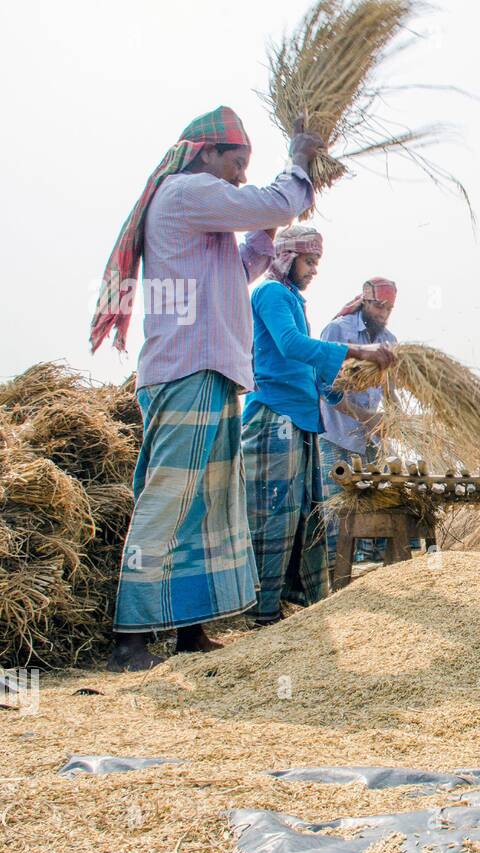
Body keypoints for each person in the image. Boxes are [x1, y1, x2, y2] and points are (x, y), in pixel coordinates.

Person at [92, 106, 323, 671]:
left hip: (211, 371)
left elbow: (240, 267)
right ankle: (131, 637)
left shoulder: (201, 211)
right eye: (238, 162)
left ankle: (189, 632)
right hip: (185, 369)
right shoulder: (186, 191)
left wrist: (275, 213)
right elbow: (272, 201)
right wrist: (298, 160)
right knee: (170, 499)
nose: (242, 175)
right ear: (206, 153)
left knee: (206, 507)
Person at [241, 228, 394, 625]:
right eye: (309, 262)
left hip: (301, 419)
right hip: (275, 416)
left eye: (316, 263)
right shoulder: (271, 292)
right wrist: (356, 351)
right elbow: (291, 345)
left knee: (306, 513)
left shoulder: (291, 297)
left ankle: (307, 602)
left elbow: (311, 366)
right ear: (286, 257)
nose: (313, 271)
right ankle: (263, 610)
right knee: (275, 513)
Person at [318, 278, 399, 566]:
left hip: (370, 439)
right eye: (378, 306)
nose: (383, 313)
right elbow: (327, 389)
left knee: (372, 503)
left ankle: (366, 571)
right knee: (337, 508)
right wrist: (368, 419)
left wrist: (396, 421)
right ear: (364, 301)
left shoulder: (388, 340)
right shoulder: (338, 331)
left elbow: (390, 391)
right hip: (336, 436)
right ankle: (334, 571)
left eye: (389, 308)